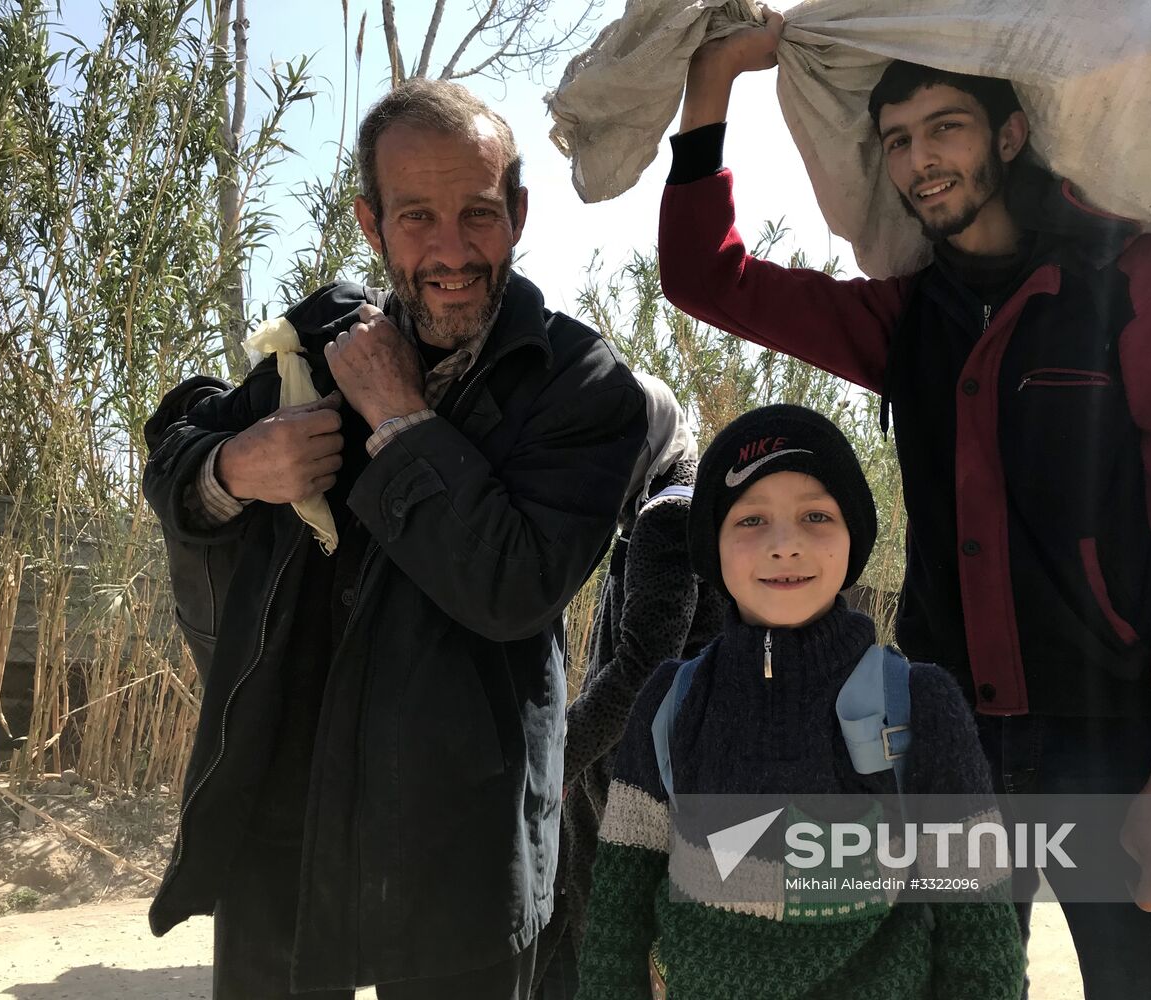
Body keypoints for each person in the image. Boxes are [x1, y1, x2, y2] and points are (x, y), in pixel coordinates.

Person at [656, 10, 1151, 998]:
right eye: (896, 140)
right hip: (957, 746)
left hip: (1114, 733)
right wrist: (712, 84)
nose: (916, 160)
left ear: (1009, 134)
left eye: (943, 126)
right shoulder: (907, 318)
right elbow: (703, 277)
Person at [141, 78, 646, 999]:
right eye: (416, 217)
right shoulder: (320, 343)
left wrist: (403, 420)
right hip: (284, 819)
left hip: (462, 838)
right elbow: (174, 452)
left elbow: (513, 588)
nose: (449, 250)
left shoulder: (584, 390)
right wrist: (233, 472)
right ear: (372, 226)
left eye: (478, 214)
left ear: (520, 214)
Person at [573, 404, 1025, 999]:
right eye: (751, 520)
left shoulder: (920, 704)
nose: (785, 545)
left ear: (853, 536)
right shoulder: (672, 701)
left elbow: (982, 938)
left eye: (816, 515)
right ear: (713, 546)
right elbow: (618, 919)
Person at [534, 372, 727, 998]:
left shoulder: (670, 516)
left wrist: (560, 754)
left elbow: (646, 662)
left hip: (639, 783)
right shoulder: (667, 509)